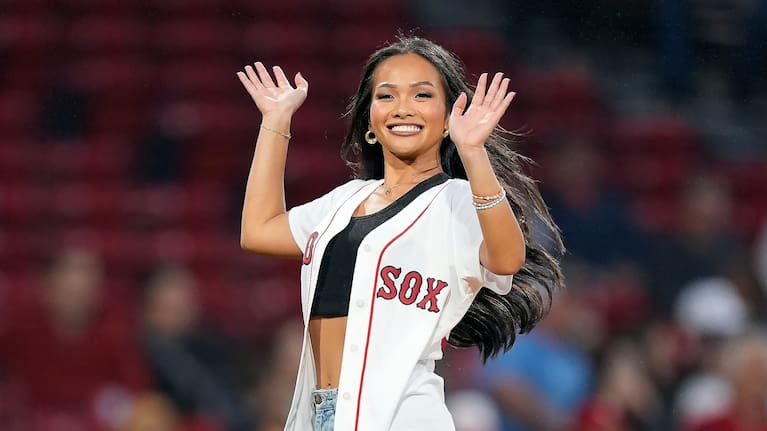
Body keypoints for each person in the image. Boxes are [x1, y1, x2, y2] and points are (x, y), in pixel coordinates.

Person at [236, 36, 563, 431]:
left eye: (422, 94)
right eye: (386, 96)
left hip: (401, 415)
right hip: (322, 412)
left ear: (447, 118)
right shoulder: (343, 201)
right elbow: (258, 230)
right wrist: (275, 122)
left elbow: (507, 258)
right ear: (370, 119)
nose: (403, 108)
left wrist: (473, 151)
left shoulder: (457, 200)